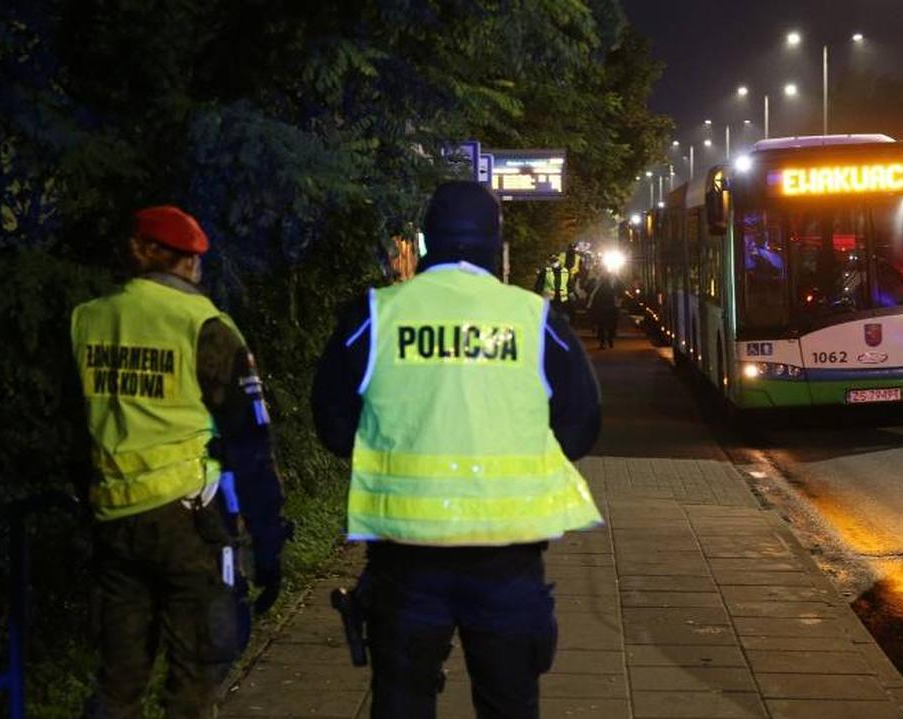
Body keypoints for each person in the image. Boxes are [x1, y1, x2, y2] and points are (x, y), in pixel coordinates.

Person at [311, 181, 603, 719]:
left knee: (402, 700)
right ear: (497, 243)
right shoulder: (535, 320)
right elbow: (582, 427)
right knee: (509, 703)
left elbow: (330, 421)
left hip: (405, 558)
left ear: (426, 241)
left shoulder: (376, 316)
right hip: (508, 560)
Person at [71, 206, 289, 719]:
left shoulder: (88, 319)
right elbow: (250, 442)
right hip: (188, 524)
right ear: (191, 264)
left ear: (138, 253)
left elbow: (72, 425)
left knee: (118, 680)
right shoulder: (203, 325)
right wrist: (269, 540)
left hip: (114, 521)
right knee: (194, 678)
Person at [587, 269, 623, 349]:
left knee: (606, 325)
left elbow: (621, 290)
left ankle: (607, 340)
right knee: (605, 325)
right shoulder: (598, 282)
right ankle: (606, 340)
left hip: (608, 307)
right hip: (606, 307)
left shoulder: (612, 281)